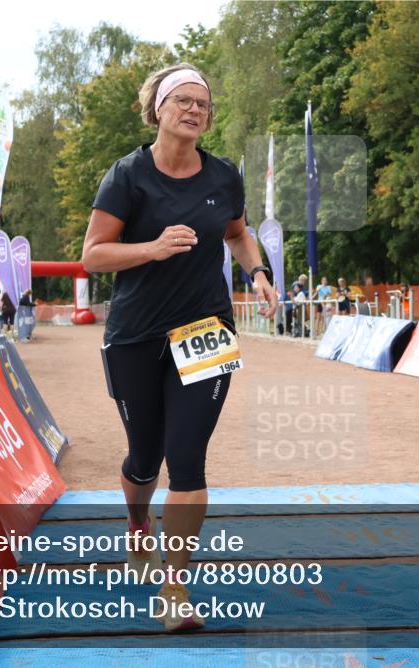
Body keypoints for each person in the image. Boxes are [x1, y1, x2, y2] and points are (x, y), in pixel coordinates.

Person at [81, 63, 277, 631]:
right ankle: (137, 521)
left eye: (203, 104)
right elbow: (94, 254)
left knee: (187, 457)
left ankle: (175, 587)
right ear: (158, 109)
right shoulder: (127, 176)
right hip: (137, 335)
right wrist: (153, 248)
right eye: (183, 101)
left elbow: (238, 232)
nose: (195, 110)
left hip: (206, 331)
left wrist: (257, 272)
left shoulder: (223, 177)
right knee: (144, 458)